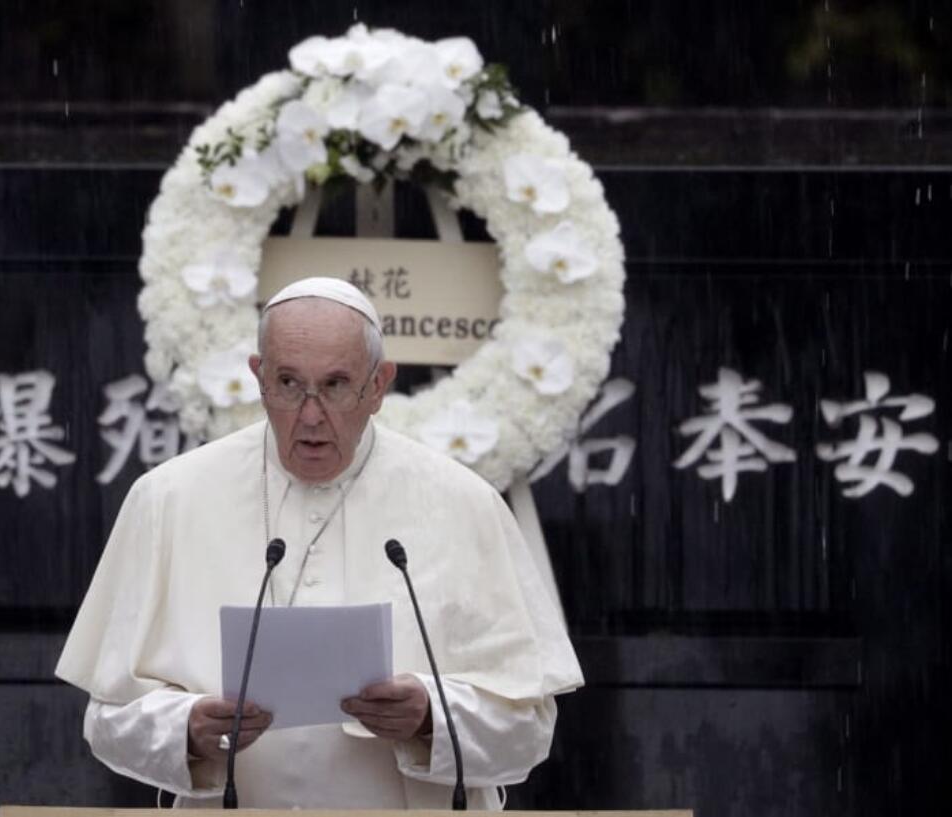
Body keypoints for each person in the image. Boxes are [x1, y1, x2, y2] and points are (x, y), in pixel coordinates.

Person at [56, 277, 583, 809]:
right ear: (258, 378)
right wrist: (185, 727)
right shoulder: (168, 499)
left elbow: (529, 731)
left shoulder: (464, 503)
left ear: (378, 385)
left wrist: (429, 715)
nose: (310, 416)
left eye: (335, 385)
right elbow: (107, 721)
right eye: (288, 383)